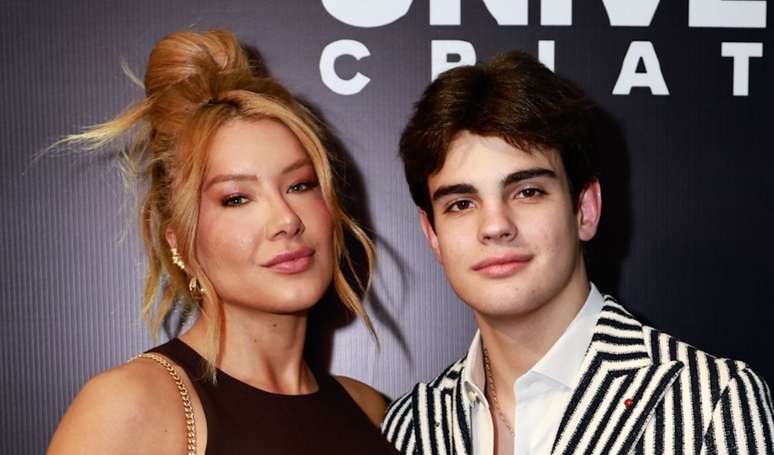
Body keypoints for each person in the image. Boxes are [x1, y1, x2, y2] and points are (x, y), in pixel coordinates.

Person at [382, 51, 774, 454]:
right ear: (432, 234)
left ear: (585, 209)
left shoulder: (709, 403)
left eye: (527, 192)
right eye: (461, 204)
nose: (495, 225)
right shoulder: (410, 429)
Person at [47, 29, 397, 454]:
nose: (286, 219)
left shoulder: (370, 411)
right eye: (236, 198)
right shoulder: (132, 406)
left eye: (300, 185)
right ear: (179, 241)